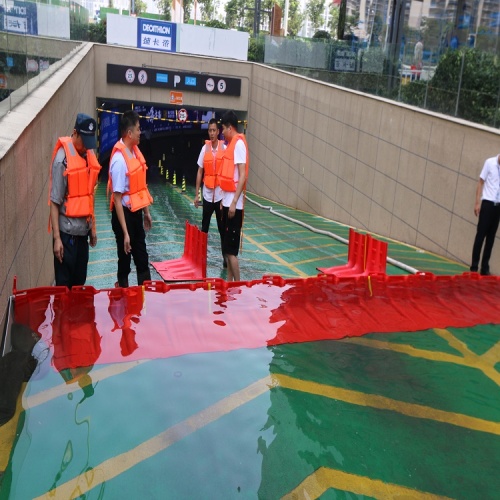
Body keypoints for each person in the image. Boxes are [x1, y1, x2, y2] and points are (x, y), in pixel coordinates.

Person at [49, 113, 101, 288]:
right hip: (66, 235)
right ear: (75, 133)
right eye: (84, 141)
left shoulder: (88, 156)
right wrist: (57, 239)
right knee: (64, 286)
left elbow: (89, 196)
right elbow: (55, 202)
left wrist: (92, 227)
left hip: (82, 235)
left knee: (80, 284)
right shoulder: (62, 160)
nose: (87, 147)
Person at [109, 110, 153, 287]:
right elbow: (117, 199)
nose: (140, 132)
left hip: (135, 214)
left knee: (142, 258)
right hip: (123, 216)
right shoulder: (119, 161)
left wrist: (146, 212)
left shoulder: (135, 152)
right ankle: (123, 297)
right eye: (138, 129)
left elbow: (140, 187)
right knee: (124, 260)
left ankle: (146, 297)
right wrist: (125, 233)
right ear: (129, 133)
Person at [218, 110, 249, 281]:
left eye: (223, 129)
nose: (222, 132)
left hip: (234, 206)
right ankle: (229, 282)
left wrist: (234, 202)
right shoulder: (231, 145)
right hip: (228, 202)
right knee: (227, 249)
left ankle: (238, 284)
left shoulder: (238, 144)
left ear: (230, 128)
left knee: (231, 252)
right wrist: (225, 201)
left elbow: (242, 175)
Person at [194, 118, 226, 267]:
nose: (212, 133)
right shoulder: (204, 149)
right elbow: (200, 171)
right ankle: (201, 257)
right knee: (204, 228)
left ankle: (226, 258)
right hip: (207, 195)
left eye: (214, 130)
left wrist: (226, 196)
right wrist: (196, 195)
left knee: (222, 229)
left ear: (218, 132)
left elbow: (227, 173)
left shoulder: (224, 149)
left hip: (220, 196)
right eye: (210, 130)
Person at [470, 154, 500, 276]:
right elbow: (481, 182)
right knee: (480, 236)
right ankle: (474, 266)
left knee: (491, 238)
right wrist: (477, 203)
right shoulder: (489, 162)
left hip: (498, 205)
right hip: (487, 203)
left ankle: (485, 267)